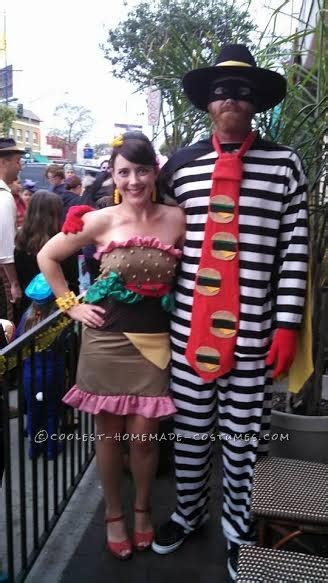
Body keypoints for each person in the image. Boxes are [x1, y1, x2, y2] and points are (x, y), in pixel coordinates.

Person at [150, 44, 309, 581]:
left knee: (245, 440)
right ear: (209, 105)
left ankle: (240, 531)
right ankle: (189, 515)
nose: (231, 102)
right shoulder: (180, 166)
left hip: (255, 331)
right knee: (192, 433)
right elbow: (152, 224)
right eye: (221, 93)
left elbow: (295, 251)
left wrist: (286, 325)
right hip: (190, 330)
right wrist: (96, 225)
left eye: (241, 93)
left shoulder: (286, 163)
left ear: (255, 103)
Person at [37, 132, 185, 560]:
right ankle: (114, 515)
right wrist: (70, 306)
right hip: (104, 342)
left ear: (154, 172)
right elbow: (48, 256)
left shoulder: (178, 219)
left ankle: (142, 510)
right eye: (125, 172)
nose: (134, 180)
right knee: (108, 435)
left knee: (143, 438)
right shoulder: (101, 220)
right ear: (114, 177)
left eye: (142, 170)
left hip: (156, 344)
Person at [15, 274, 66, 459]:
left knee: (34, 410)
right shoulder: (59, 320)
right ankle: (51, 448)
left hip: (30, 374)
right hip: (53, 373)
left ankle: (34, 449)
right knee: (52, 411)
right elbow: (66, 345)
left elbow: (15, 343)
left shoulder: (26, 318)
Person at [15, 190, 79, 314]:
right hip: (60, 308)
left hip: (29, 306)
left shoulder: (20, 239)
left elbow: (21, 277)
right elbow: (73, 280)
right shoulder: (63, 243)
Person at [0, 138, 24, 321]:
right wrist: (14, 284)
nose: (20, 167)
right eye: (17, 162)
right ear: (3, 162)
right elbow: (6, 252)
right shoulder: (4, 197)